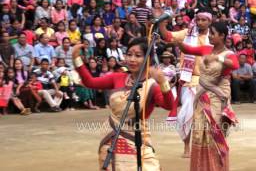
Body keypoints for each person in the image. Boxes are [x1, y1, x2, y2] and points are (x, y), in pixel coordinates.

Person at [72, 37, 174, 170]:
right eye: (129, 54)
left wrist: (163, 83)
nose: (132, 59)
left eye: (138, 56)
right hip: (111, 137)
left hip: (137, 138)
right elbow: (90, 82)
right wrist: (76, 59)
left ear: (147, 59)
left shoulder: (152, 85)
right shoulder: (117, 77)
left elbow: (169, 105)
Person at [178, 22, 239, 171]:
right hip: (202, 95)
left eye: (212, 33)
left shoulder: (228, 54)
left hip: (218, 96)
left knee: (214, 132)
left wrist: (218, 59)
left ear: (222, 36)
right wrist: (175, 38)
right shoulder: (206, 49)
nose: (209, 36)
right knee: (199, 133)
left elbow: (235, 65)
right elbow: (187, 48)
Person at [159, 9, 212, 157]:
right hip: (189, 80)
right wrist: (162, 24)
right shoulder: (187, 33)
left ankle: (206, 147)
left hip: (208, 81)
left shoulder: (213, 37)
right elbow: (168, 37)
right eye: (199, 19)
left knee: (208, 117)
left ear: (209, 22)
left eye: (204, 20)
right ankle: (187, 146)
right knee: (185, 116)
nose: (200, 22)